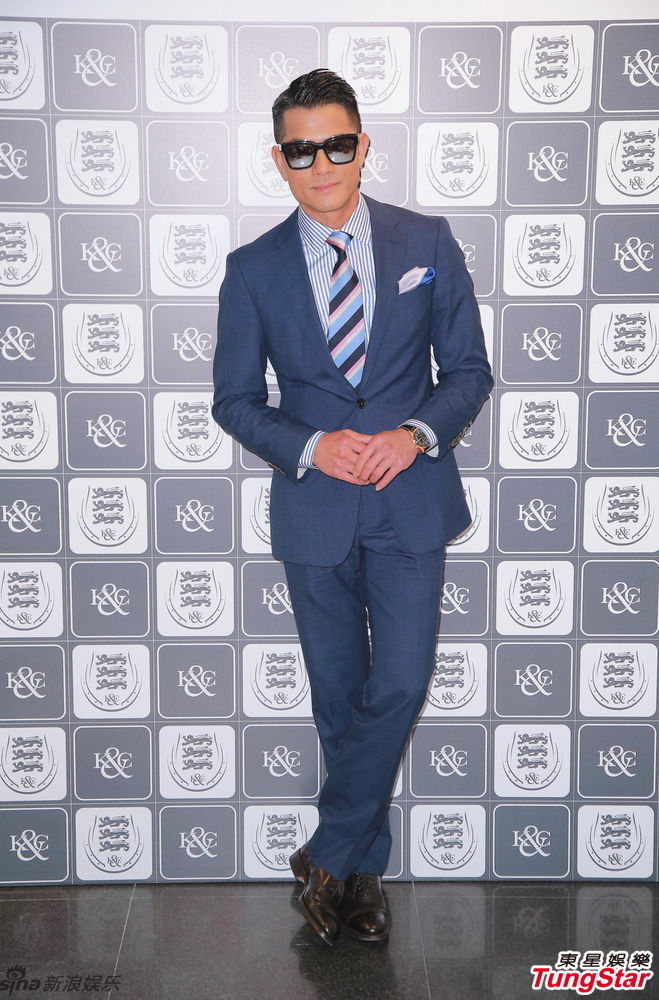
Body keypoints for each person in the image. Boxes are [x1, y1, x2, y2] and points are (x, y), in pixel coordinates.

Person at [212, 68, 494, 947]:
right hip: (315, 510)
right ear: (279, 160)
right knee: (338, 698)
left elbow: (468, 372)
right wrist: (310, 445)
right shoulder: (252, 269)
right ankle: (357, 882)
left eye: (337, 143)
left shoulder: (425, 240)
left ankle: (327, 851)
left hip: (409, 504)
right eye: (301, 150)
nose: (322, 163)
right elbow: (233, 400)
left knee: (399, 681)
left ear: (362, 145)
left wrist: (413, 435)